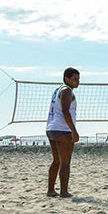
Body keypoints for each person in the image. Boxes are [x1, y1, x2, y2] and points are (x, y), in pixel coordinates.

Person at [46, 67, 80, 198]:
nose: (77, 82)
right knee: (65, 162)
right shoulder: (67, 91)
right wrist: (74, 131)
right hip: (62, 130)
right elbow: (65, 111)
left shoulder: (58, 90)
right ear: (66, 79)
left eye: (78, 79)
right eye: (74, 79)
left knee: (56, 161)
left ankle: (50, 190)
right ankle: (64, 192)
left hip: (51, 128)